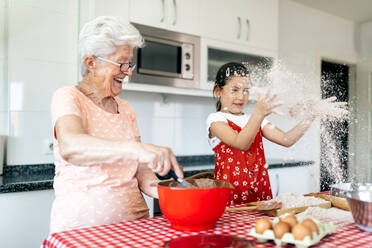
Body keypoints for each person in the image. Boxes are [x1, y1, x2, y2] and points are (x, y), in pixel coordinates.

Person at [49, 16, 183, 233]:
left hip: (135, 228)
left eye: (130, 64)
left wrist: (172, 191)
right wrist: (136, 149)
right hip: (83, 232)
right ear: (92, 63)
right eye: (121, 63)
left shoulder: (126, 109)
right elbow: (71, 146)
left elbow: (140, 171)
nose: (128, 71)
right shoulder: (68, 97)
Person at [206, 62, 342, 205]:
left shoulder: (254, 119)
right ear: (218, 91)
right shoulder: (215, 119)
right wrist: (259, 113)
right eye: (235, 90)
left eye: (246, 90)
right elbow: (241, 143)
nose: (241, 96)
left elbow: (286, 139)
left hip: (261, 196)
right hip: (230, 199)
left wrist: (312, 115)